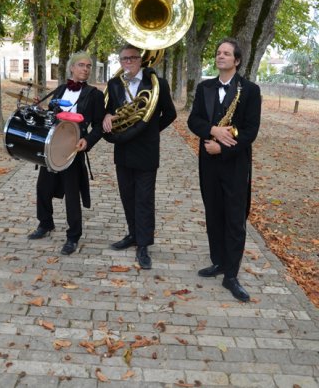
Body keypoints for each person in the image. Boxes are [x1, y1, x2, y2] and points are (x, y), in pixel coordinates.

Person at [187, 37, 261, 302]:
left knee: (234, 218)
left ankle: (231, 274)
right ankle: (218, 261)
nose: (220, 57)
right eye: (218, 53)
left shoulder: (250, 90)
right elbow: (193, 120)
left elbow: (251, 130)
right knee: (213, 213)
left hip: (235, 164)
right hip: (208, 162)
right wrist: (212, 130)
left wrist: (224, 148)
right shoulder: (204, 87)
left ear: (237, 60)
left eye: (226, 54)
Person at [103, 43, 177, 269]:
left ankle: (144, 245)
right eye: (124, 59)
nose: (128, 63)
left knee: (144, 198)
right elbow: (109, 109)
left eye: (133, 58)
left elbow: (170, 114)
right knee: (127, 195)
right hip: (123, 148)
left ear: (141, 60)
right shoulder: (114, 83)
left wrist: (149, 130)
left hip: (146, 150)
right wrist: (106, 115)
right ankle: (133, 235)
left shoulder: (157, 84)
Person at [28, 51, 105, 255]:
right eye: (81, 65)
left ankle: (73, 237)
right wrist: (41, 108)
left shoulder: (95, 95)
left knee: (72, 193)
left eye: (88, 66)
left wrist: (87, 141)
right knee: (43, 187)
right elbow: (52, 114)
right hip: (53, 146)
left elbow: (99, 126)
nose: (85, 69)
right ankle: (45, 224)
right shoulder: (61, 89)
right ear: (72, 68)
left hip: (73, 149)